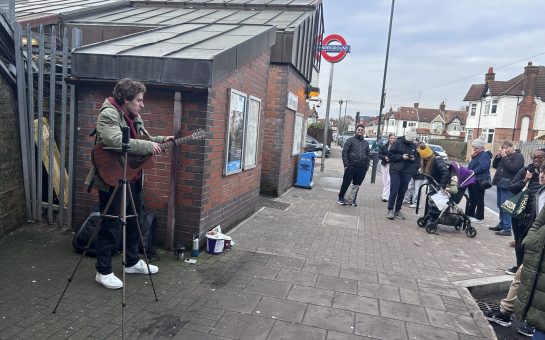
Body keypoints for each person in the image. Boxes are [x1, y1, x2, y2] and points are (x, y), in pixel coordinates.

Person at [85, 78, 174, 289]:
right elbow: (115, 141)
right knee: (112, 223)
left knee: (136, 220)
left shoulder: (134, 115)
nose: (142, 104)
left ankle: (132, 262)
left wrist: (161, 140)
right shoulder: (108, 114)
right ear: (125, 99)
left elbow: (144, 139)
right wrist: (148, 146)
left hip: (133, 175)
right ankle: (103, 271)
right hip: (112, 177)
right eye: (139, 100)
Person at [484, 161, 545, 338]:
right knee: (521, 279)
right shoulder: (540, 190)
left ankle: (531, 322)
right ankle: (506, 312)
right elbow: (537, 221)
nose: (541, 175)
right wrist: (529, 240)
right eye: (541, 171)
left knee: (533, 286)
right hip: (535, 250)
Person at [505, 148, 545, 275]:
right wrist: (525, 180)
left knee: (530, 245)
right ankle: (519, 267)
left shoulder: (543, 175)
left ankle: (528, 270)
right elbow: (511, 187)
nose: (536, 160)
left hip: (535, 217)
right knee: (519, 241)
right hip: (520, 213)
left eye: (540, 157)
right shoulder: (527, 170)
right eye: (534, 156)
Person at [491, 141, 525, 236]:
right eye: (503, 148)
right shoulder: (504, 156)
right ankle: (501, 224)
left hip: (509, 184)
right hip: (501, 183)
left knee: (506, 206)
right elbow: (494, 166)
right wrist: (498, 157)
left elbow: (513, 168)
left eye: (506, 148)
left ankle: (507, 228)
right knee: (500, 205)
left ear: (512, 147)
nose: (505, 150)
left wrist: (505, 157)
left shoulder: (519, 156)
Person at [386, 128, 419, 220]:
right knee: (394, 190)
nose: (411, 141)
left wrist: (413, 159)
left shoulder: (413, 145)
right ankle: (390, 210)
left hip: (406, 172)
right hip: (395, 170)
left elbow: (416, 158)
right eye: (410, 140)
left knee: (402, 192)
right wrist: (401, 157)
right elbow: (390, 155)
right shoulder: (397, 143)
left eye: (412, 140)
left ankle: (397, 210)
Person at [417, 144, 450, 227]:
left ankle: (432, 219)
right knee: (431, 200)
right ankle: (429, 217)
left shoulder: (437, 160)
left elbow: (445, 172)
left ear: (428, 157)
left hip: (439, 184)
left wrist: (441, 185)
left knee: (434, 202)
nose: (424, 161)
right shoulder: (430, 159)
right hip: (434, 183)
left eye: (425, 159)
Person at [337, 124, 370, 206]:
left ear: (363, 132)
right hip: (351, 166)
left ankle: (353, 199)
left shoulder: (366, 143)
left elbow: (368, 155)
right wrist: (346, 165)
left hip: (362, 168)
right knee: (346, 183)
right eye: (358, 129)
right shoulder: (350, 140)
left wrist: (366, 166)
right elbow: (345, 152)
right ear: (356, 130)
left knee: (356, 185)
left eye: (362, 130)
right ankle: (341, 197)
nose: (360, 131)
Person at [465, 138, 492, 224]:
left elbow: (484, 166)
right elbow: (473, 164)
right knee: (472, 198)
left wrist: (473, 171)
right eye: (474, 148)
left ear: (481, 148)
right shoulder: (477, 154)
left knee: (479, 199)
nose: (475, 150)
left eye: (476, 148)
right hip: (473, 179)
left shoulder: (484, 155)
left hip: (479, 180)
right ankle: (470, 214)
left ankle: (479, 217)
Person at [379, 134, 396, 202]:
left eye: (394, 138)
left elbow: (397, 156)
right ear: (388, 139)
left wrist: (391, 158)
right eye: (391, 138)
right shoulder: (384, 146)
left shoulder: (396, 147)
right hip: (384, 164)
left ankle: (385, 196)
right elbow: (380, 154)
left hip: (392, 165)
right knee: (384, 180)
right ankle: (384, 194)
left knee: (388, 180)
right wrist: (384, 157)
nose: (392, 139)